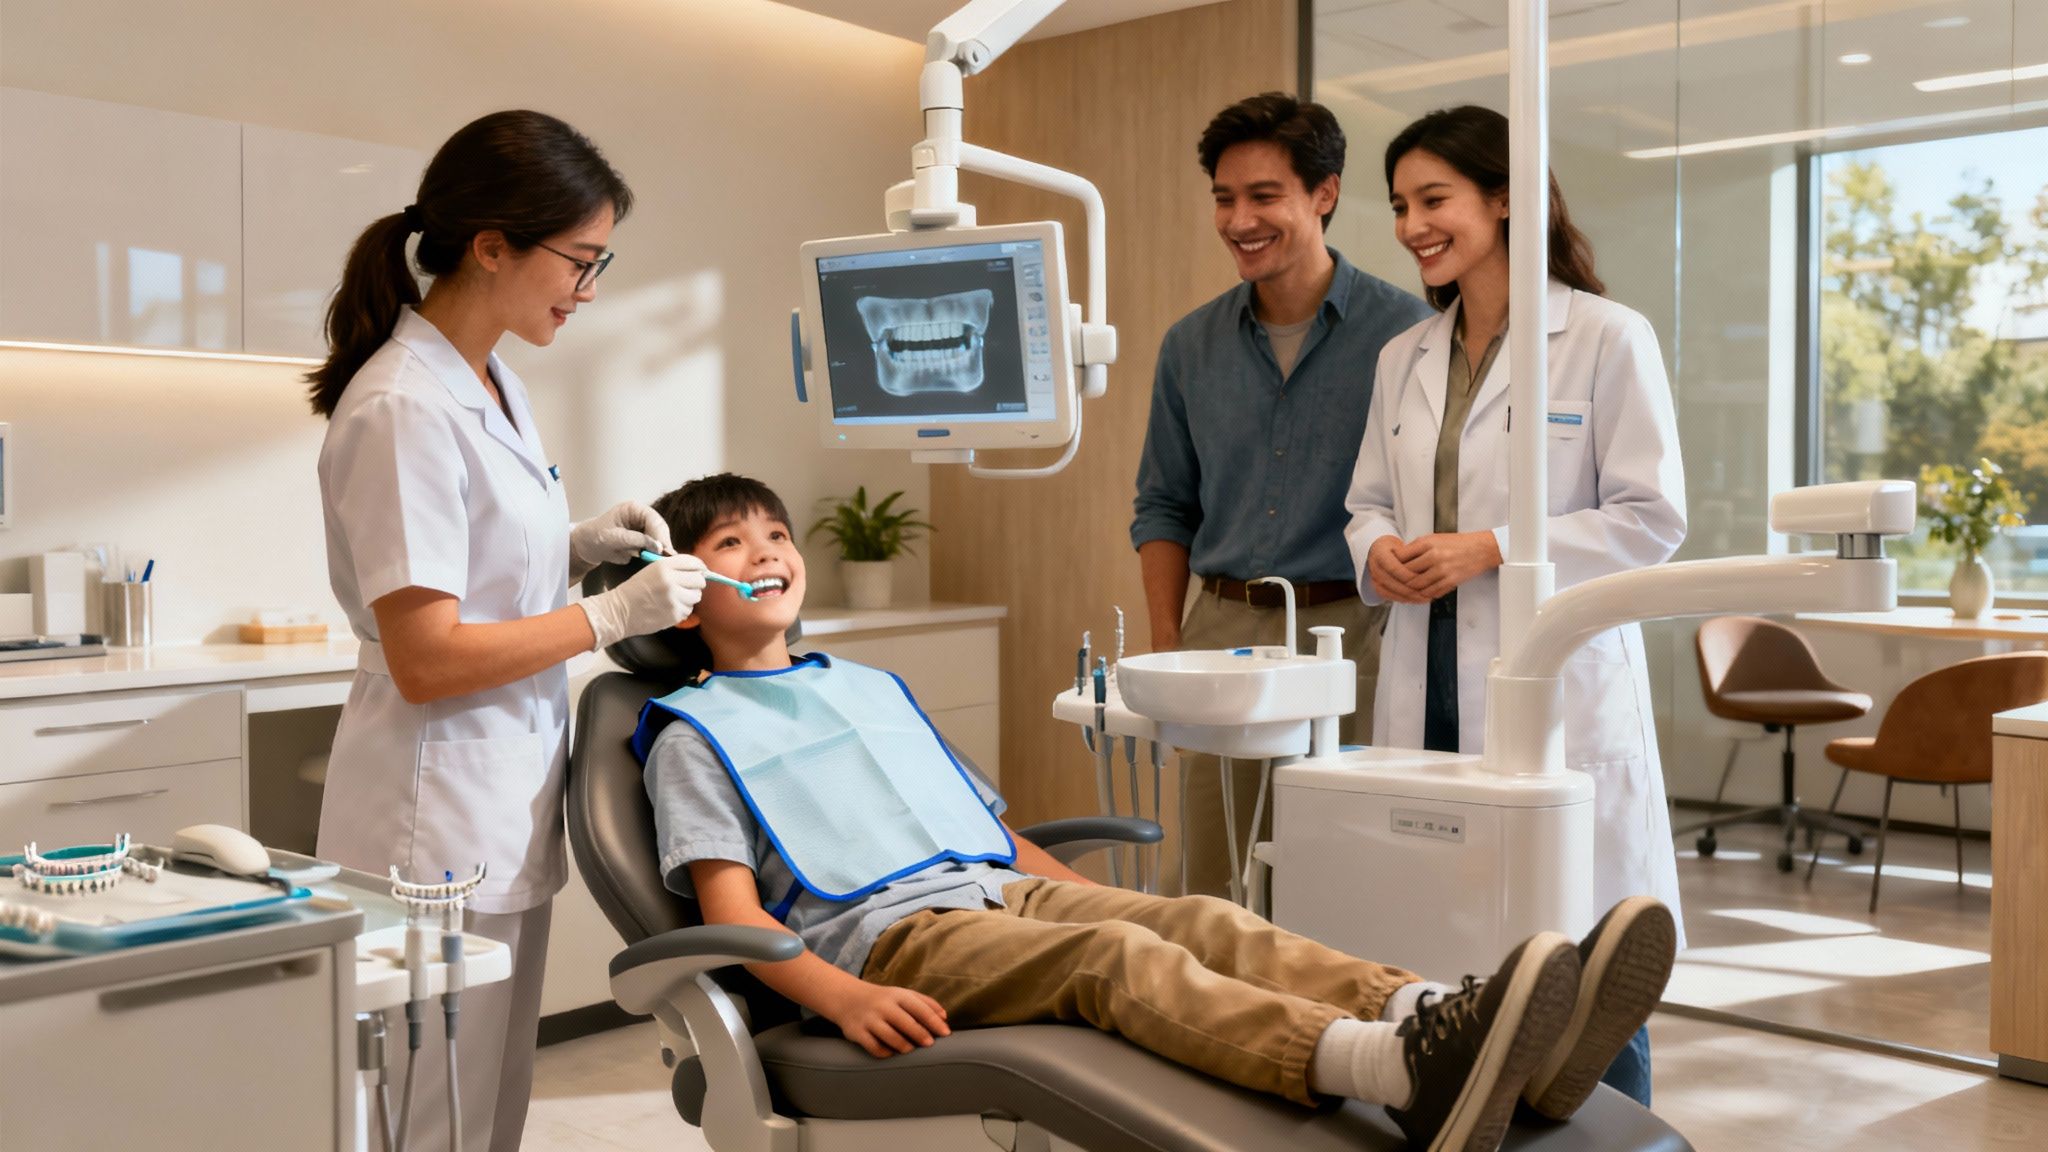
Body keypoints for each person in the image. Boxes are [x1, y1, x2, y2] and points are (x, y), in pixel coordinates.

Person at [634, 473, 1678, 1152]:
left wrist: (1109, 898)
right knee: (1118, 970)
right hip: (884, 945)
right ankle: (1390, 1069)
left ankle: (1450, 1019)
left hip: (993, 894)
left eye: (776, 530)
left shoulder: (859, 687)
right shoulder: (692, 733)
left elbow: (989, 837)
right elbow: (735, 913)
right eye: (731, 543)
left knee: (1197, 921)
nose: (766, 549)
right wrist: (839, 998)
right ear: (682, 592)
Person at [311, 110, 712, 1152]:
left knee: (489, 1102)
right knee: (428, 1111)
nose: (589, 290)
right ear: (491, 245)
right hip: (429, 820)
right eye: (578, 261)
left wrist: (574, 547)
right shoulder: (403, 405)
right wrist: (607, 615)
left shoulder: (492, 381)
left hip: (495, 798)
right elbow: (428, 656)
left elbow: (475, 572)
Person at [1343, 105, 1688, 1105]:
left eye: (1433, 199)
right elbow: (1366, 503)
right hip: (1425, 685)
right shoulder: (1400, 358)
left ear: (1504, 199)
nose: (1410, 224)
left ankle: (1613, 1129)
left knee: (1580, 959)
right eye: (1400, 204)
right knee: (1449, 946)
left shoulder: (1603, 337)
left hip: (1549, 687)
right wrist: (1379, 556)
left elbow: (1651, 517)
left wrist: (1489, 548)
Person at [1132, 92, 1432, 899]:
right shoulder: (1190, 345)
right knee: (1210, 876)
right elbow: (1163, 504)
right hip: (1219, 628)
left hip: (1355, 632)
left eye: (1264, 196)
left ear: (1324, 194)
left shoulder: (1405, 336)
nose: (1239, 220)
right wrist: (1168, 642)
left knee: (1346, 871)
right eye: (1224, 199)